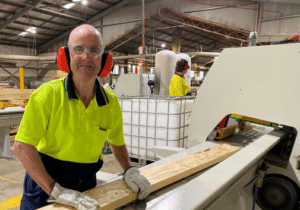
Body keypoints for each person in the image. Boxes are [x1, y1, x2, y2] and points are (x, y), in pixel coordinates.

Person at [12, 24, 151, 210]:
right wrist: (56, 190)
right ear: (67, 56)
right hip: (45, 185)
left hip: (86, 184)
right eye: (78, 49)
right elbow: (22, 147)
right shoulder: (47, 95)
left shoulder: (110, 102)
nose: (86, 57)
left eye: (94, 50)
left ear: (105, 59)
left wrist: (129, 170)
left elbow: (116, 142)